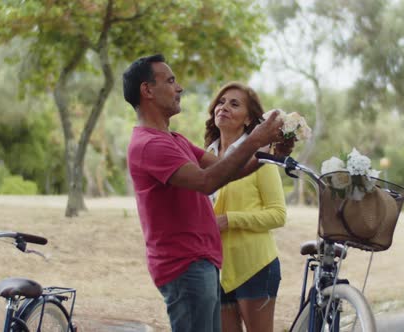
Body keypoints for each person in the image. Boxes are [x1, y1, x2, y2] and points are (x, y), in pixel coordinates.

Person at [122, 54, 291, 332]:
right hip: (185, 266)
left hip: (203, 263)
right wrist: (256, 139)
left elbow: (229, 171)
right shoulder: (149, 145)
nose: (179, 88)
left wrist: (268, 152)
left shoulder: (174, 139)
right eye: (171, 80)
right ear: (147, 90)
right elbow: (207, 181)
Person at [204, 82, 289, 332]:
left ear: (249, 117)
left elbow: (278, 214)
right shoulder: (204, 155)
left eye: (234, 104)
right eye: (221, 102)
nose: (224, 107)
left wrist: (229, 220)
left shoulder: (260, 157)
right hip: (215, 268)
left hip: (256, 266)